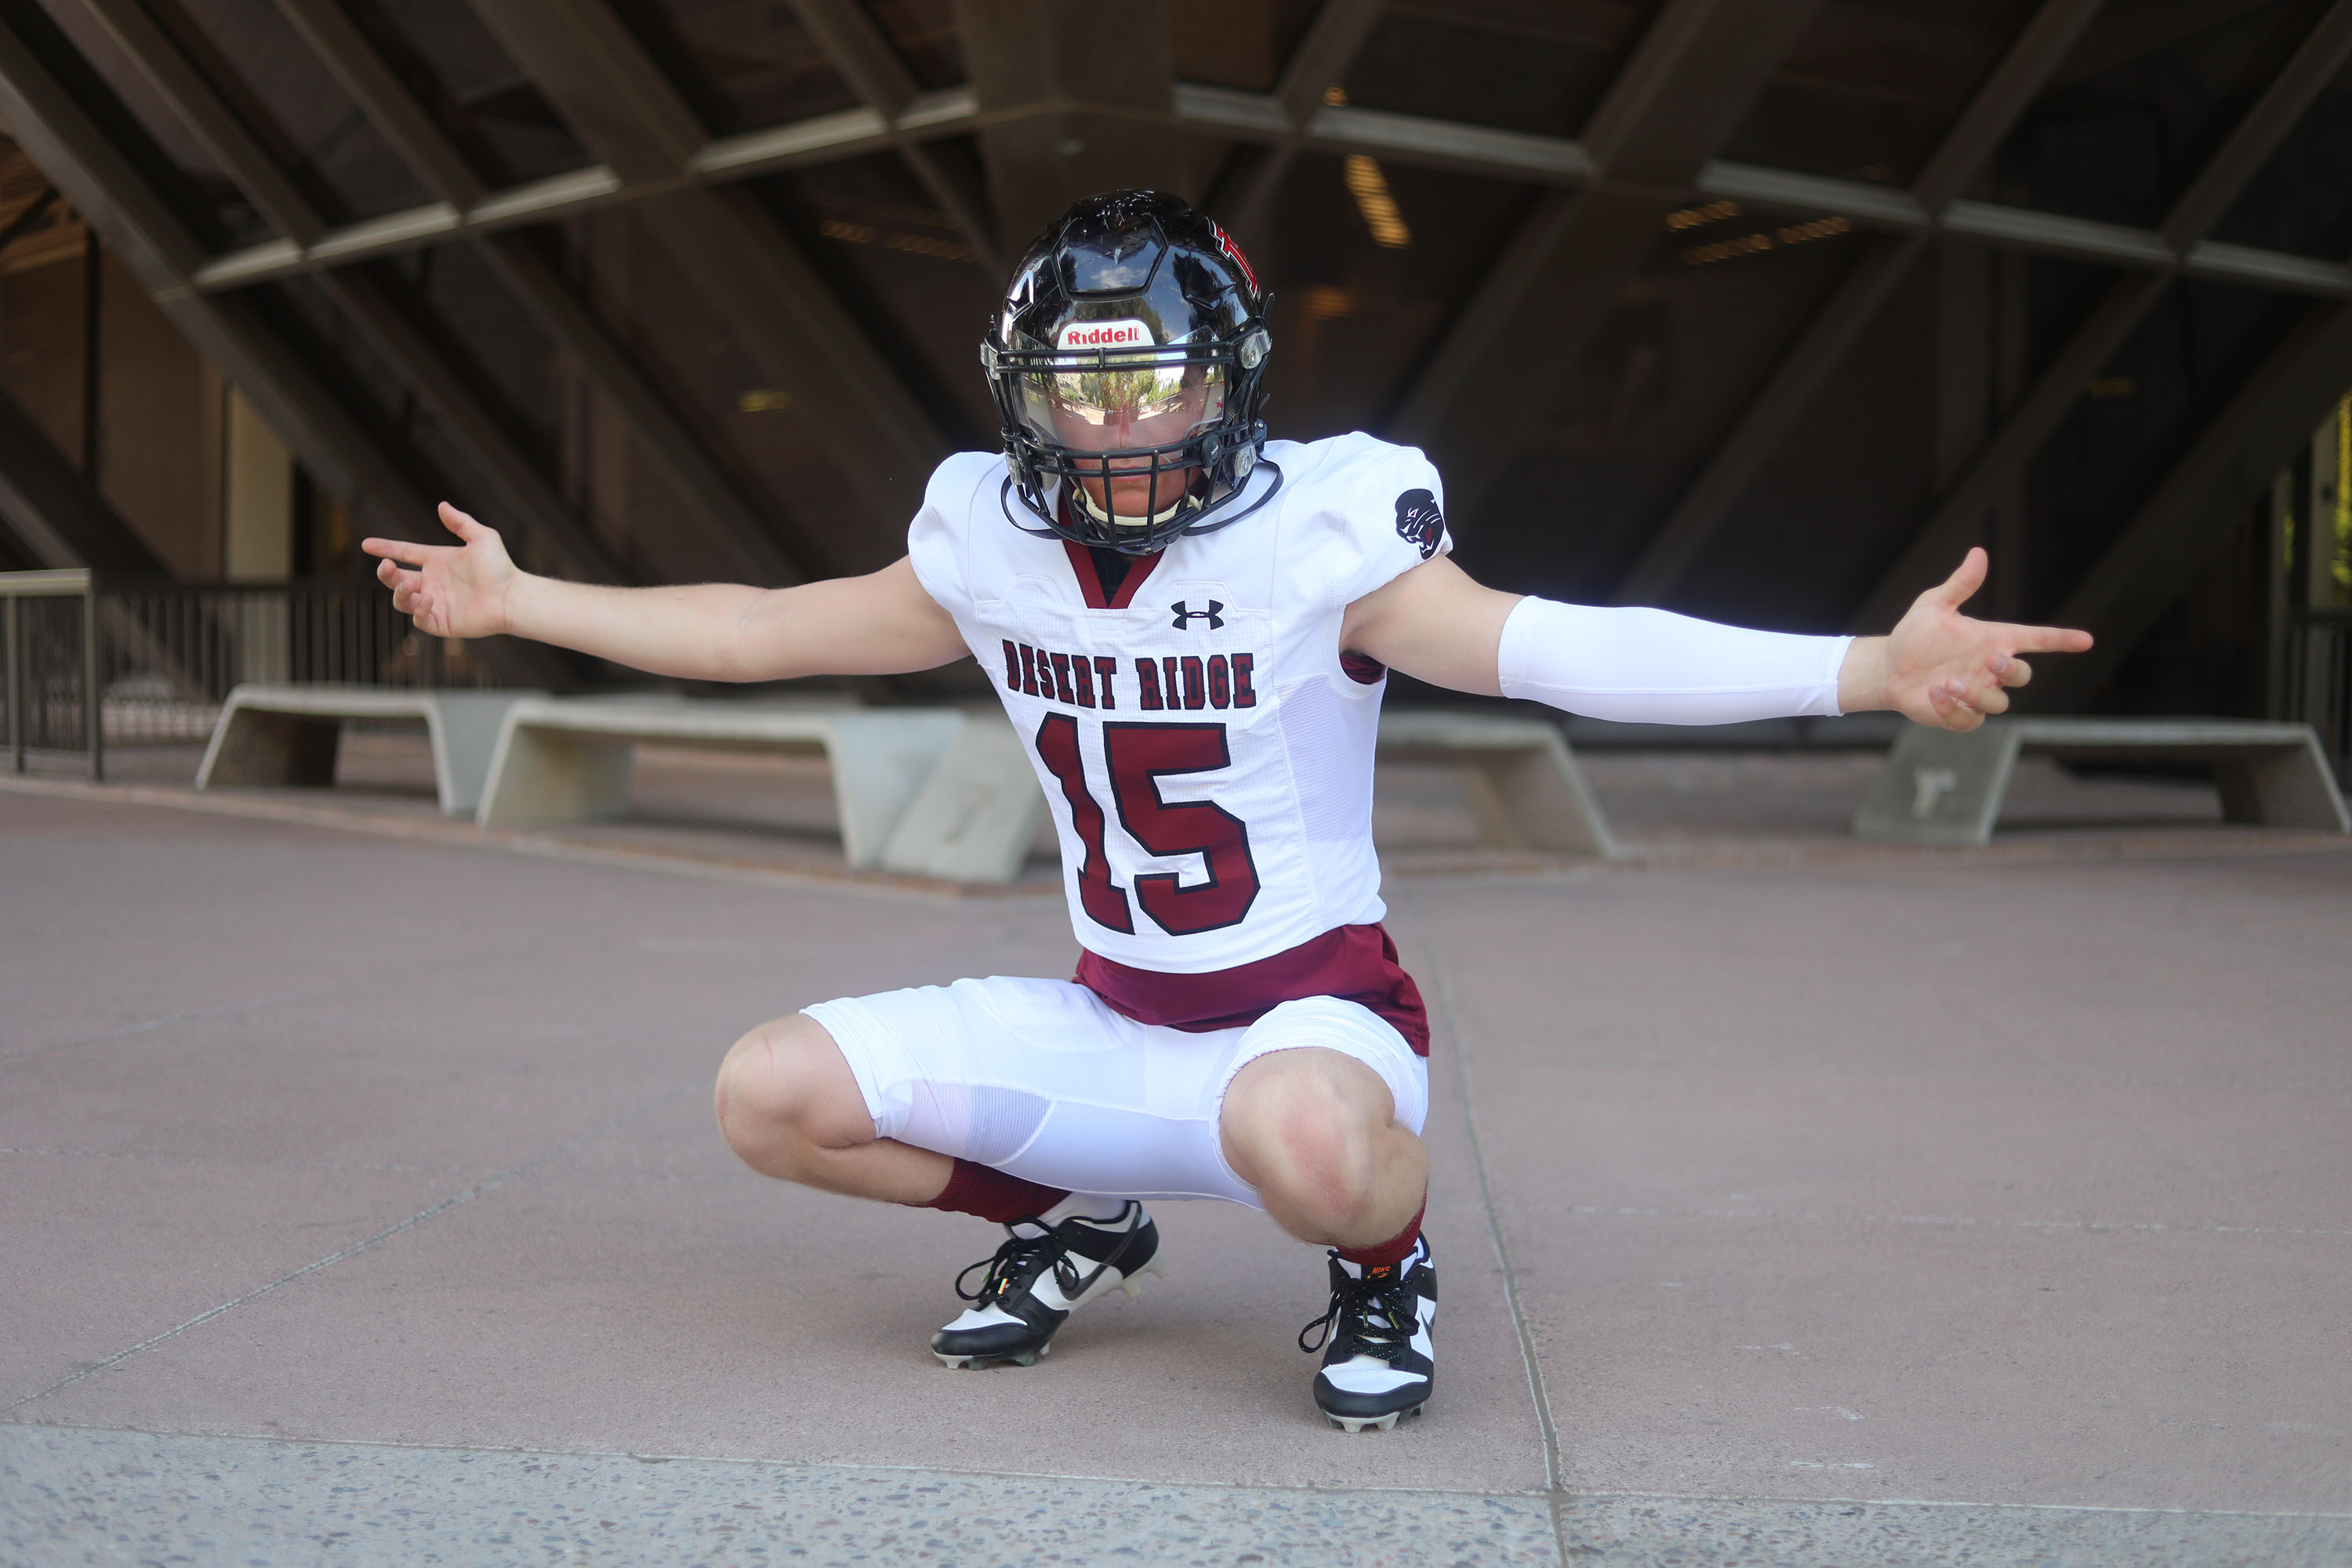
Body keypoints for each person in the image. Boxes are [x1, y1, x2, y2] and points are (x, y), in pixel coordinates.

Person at [365, 191, 2091, 1433]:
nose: (1119, 427)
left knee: (1306, 1144)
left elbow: (1558, 649)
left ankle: (1384, 1265)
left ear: (1233, 377)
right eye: (1082, 389)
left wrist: (1867, 667)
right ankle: (1075, 1218)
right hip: (1116, 1022)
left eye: (1155, 382)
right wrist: (531, 606)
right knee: (768, 1095)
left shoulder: (1324, 539)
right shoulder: (990, 544)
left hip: (1318, 1025)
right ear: (1023, 394)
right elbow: (754, 629)